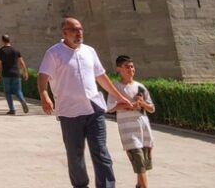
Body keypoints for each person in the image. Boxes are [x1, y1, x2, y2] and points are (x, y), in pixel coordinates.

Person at [39, 18, 133, 188]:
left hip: (94, 108)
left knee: (101, 152)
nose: (79, 32)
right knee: (75, 155)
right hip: (69, 112)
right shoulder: (54, 53)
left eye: (80, 29)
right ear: (64, 32)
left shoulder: (89, 51)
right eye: (74, 29)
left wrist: (119, 96)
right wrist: (44, 95)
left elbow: (101, 76)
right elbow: (43, 76)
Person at [106, 55, 156, 188]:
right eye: (127, 67)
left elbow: (151, 108)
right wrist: (129, 106)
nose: (130, 69)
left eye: (132, 66)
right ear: (118, 69)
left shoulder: (140, 87)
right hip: (129, 132)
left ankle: (139, 185)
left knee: (144, 165)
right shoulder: (115, 87)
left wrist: (143, 104)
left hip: (144, 130)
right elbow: (110, 107)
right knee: (139, 163)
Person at [0, 33, 29, 114]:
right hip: (16, 74)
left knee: (8, 92)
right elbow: (21, 62)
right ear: (9, 40)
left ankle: (12, 109)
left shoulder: (1, 51)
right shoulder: (16, 50)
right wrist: (25, 72)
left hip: (6, 74)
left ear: (2, 41)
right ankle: (22, 100)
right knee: (18, 91)